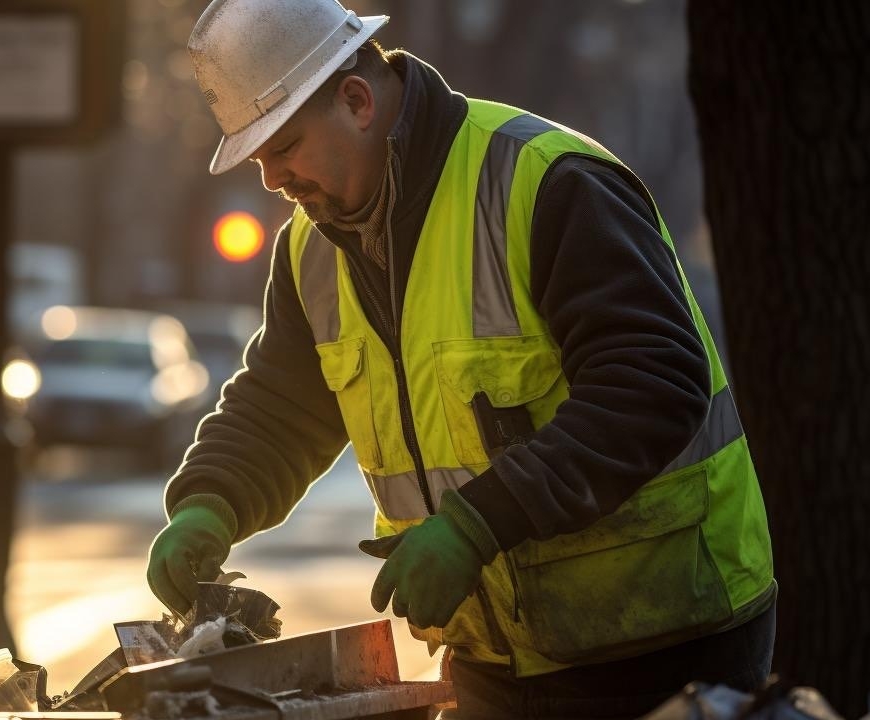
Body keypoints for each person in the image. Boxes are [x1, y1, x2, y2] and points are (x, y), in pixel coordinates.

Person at [149, 0, 776, 716]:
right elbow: (283, 404)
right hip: (497, 662)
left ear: (356, 100)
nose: (272, 180)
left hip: (665, 643)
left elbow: (653, 385)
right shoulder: (309, 248)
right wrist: (210, 500)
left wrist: (479, 523)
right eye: (258, 159)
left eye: (284, 148)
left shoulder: (546, 181)